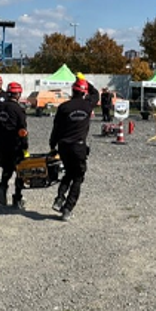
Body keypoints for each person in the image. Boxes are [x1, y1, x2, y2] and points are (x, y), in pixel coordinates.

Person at [49, 75, 99, 221]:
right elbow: (96, 94)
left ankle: (59, 198)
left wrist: (52, 145)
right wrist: (84, 80)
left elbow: (56, 129)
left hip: (64, 146)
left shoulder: (64, 107)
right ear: (84, 92)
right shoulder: (88, 105)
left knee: (68, 173)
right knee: (78, 177)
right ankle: (68, 208)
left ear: (72, 90)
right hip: (79, 147)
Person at [0, 81, 29, 210]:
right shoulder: (18, 110)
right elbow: (22, 130)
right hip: (15, 144)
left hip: (1, 143)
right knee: (20, 170)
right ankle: (17, 198)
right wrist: (25, 147)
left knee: (7, 167)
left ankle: (2, 186)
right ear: (18, 94)